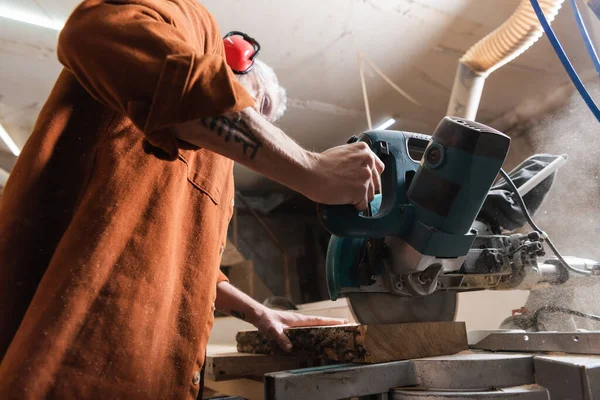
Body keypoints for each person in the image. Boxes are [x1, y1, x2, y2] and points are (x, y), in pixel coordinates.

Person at [0, 0, 384, 398]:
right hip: (61, 364)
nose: (256, 121)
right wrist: (310, 168)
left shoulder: (218, 172)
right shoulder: (193, 28)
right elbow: (94, 31)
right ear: (239, 58)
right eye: (260, 106)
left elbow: (190, 266)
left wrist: (258, 311)